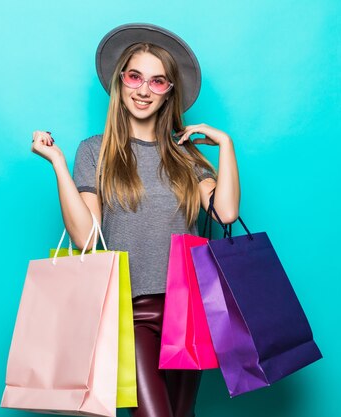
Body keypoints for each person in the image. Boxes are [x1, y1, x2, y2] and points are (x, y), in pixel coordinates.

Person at [30, 23, 240, 417]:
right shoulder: (95, 151)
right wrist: (58, 164)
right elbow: (87, 237)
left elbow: (225, 212)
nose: (144, 90)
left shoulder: (186, 156)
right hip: (127, 309)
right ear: (120, 81)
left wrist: (225, 146)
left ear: (170, 92)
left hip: (187, 309)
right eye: (135, 76)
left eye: (158, 81)